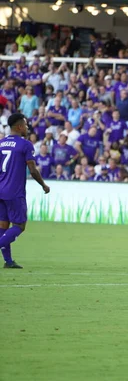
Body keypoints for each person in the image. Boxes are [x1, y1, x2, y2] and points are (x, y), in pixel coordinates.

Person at [0, 113, 50, 269]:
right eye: (26, 125)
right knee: (19, 225)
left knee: (3, 226)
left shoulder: (1, 143)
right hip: (14, 191)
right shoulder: (25, 144)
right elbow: (33, 170)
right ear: (20, 126)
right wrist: (43, 184)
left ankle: (8, 261)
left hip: (0, 190)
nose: (28, 127)